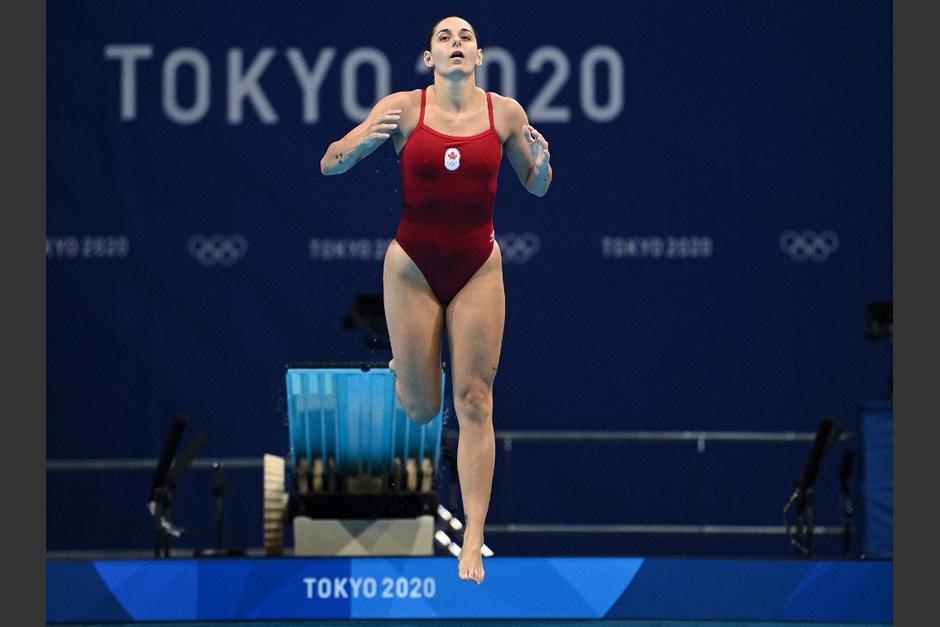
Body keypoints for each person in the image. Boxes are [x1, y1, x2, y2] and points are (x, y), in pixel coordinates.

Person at [320, 15, 552, 584]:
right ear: (429, 57)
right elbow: (329, 162)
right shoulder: (402, 107)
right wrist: (357, 147)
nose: (455, 44)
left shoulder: (506, 113)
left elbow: (536, 184)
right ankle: (409, 371)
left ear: (479, 56)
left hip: (478, 267)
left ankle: (473, 537)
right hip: (412, 270)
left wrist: (544, 166)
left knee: (474, 400)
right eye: (444, 38)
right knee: (423, 408)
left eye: (465, 38)